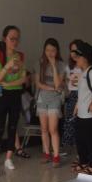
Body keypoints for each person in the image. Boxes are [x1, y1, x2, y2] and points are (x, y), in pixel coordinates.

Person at [0, 25, 27, 170]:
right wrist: (8, 66)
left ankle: (9, 158)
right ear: (5, 39)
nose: (15, 42)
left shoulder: (20, 56)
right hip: (1, 94)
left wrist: (9, 83)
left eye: (17, 39)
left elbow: (23, 79)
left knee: (12, 126)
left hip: (15, 94)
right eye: (12, 39)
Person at [72, 41, 92, 175]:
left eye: (78, 57)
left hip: (90, 116)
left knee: (90, 141)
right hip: (81, 114)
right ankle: (84, 161)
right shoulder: (84, 72)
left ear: (84, 58)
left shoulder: (91, 72)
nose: (76, 60)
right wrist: (77, 106)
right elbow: (82, 93)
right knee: (80, 140)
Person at [35, 38, 65, 167]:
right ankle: (46, 153)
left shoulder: (61, 65)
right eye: (47, 50)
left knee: (53, 128)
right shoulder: (39, 63)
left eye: (53, 50)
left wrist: (53, 65)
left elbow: (58, 84)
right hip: (42, 98)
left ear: (57, 51)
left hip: (55, 99)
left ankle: (56, 156)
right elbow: (38, 83)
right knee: (44, 128)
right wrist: (53, 88)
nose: (50, 53)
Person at [63, 40, 83, 166]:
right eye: (71, 50)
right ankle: (72, 149)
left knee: (80, 124)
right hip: (71, 96)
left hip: (82, 96)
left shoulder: (84, 66)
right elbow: (66, 81)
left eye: (76, 50)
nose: (73, 53)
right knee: (70, 123)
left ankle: (81, 153)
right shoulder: (68, 67)